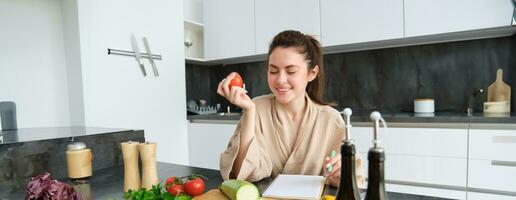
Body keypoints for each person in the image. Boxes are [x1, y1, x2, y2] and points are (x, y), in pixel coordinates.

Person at [217, 30, 364, 187]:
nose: (280, 80)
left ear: (312, 73)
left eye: (291, 71)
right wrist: (249, 112)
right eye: (273, 70)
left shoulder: (330, 118)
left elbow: (353, 182)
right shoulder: (257, 108)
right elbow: (240, 175)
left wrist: (338, 176)